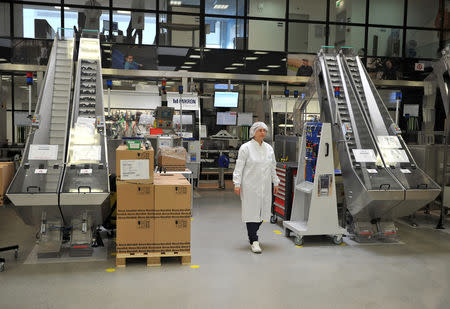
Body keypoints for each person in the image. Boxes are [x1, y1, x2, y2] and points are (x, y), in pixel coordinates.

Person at [233, 122, 280, 254]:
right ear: (253, 132)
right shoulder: (245, 148)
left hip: (265, 186)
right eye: (260, 130)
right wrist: (237, 183)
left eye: (264, 130)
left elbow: (272, 166)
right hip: (250, 186)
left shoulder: (269, 148)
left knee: (263, 212)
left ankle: (253, 235)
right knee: (251, 212)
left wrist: (275, 182)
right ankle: (254, 240)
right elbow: (239, 167)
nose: (263, 133)